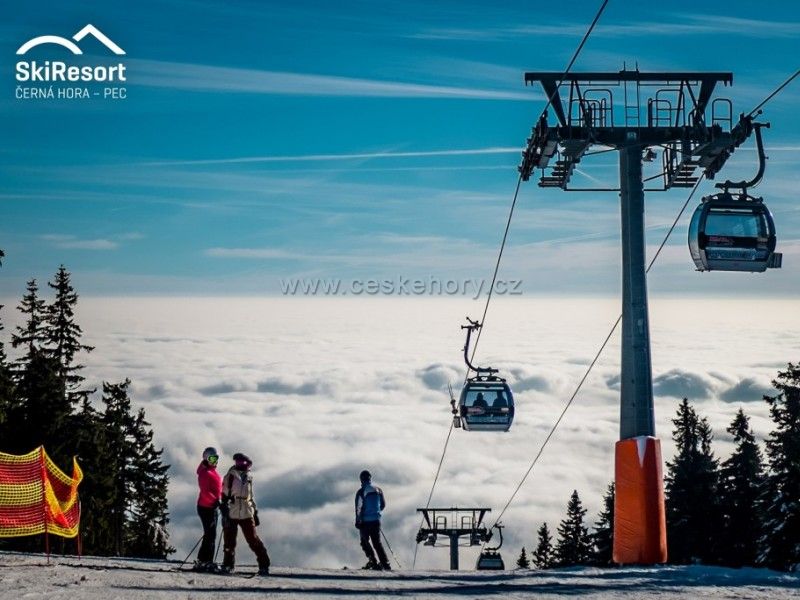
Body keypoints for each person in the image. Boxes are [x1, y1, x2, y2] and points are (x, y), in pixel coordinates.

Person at [220, 452, 271, 575]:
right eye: (237, 462)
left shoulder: (248, 478)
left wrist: (255, 512)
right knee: (229, 541)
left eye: (242, 462)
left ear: (248, 464)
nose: (239, 464)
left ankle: (264, 564)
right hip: (233, 510)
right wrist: (224, 507)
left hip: (247, 512)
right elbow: (224, 494)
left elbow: (250, 496)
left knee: (253, 539)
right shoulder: (230, 476)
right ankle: (228, 565)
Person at [354, 470, 390, 571]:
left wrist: (358, 521)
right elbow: (383, 505)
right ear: (370, 478)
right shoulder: (378, 490)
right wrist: (375, 513)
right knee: (377, 543)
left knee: (364, 542)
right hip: (376, 521)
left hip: (365, 522)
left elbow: (358, 508)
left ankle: (373, 562)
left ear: (361, 479)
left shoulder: (361, 492)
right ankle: (385, 563)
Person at [194, 446, 222, 572]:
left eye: (216, 457)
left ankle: (203, 561)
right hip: (206, 507)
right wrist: (216, 502)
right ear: (206, 458)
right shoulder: (205, 473)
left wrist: (222, 499)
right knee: (210, 535)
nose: (214, 460)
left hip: (210, 507)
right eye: (211, 458)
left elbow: (216, 489)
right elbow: (205, 492)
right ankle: (206, 562)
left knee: (210, 535)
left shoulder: (211, 471)